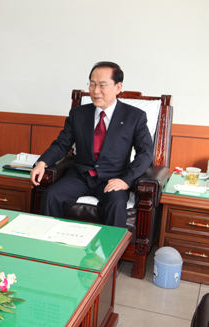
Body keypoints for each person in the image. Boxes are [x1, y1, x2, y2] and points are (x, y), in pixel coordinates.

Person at [30, 62, 153, 228]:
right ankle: (48, 248)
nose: (95, 91)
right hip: (80, 176)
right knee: (51, 195)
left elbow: (145, 153)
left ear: (118, 87)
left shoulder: (134, 116)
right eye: (92, 84)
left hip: (113, 177)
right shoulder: (78, 114)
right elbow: (62, 144)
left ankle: (110, 252)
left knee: (116, 205)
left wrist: (126, 181)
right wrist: (41, 163)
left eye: (102, 85)